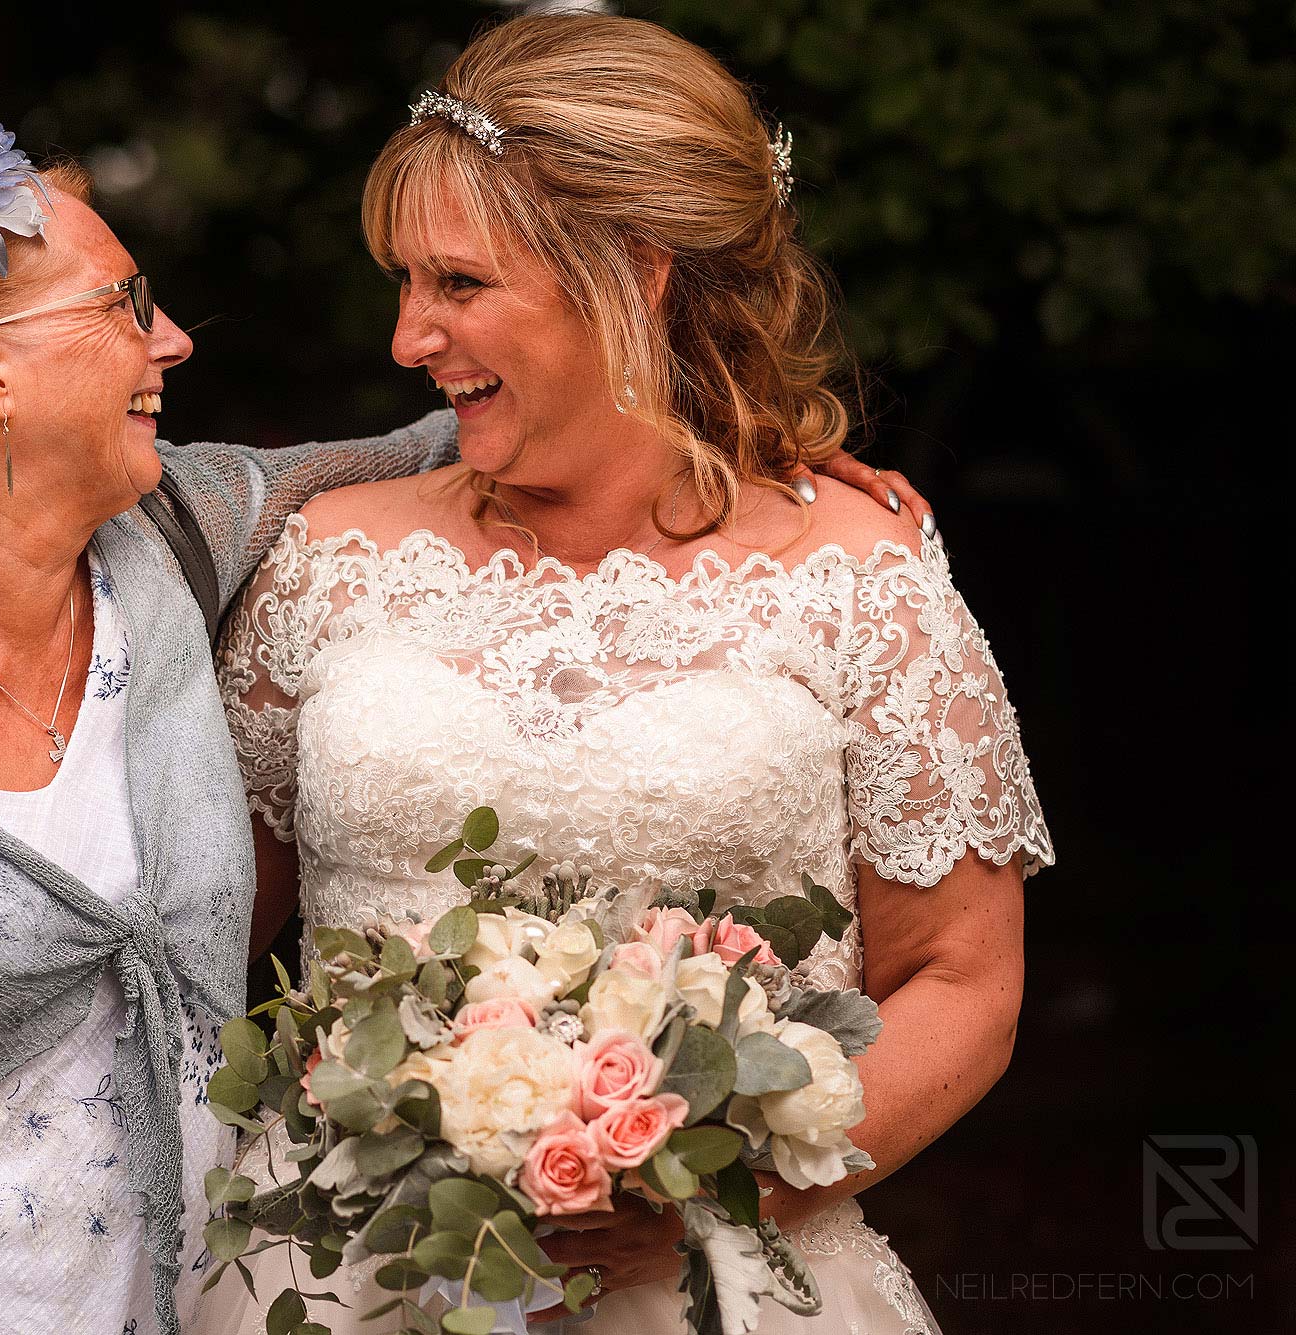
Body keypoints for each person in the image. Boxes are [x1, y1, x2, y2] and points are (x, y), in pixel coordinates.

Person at [0, 31, 927, 1335]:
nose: (172, 340)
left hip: (189, 1298)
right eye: (123, 306)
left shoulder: (185, 531)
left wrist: (757, 454)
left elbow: (490, 427)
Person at [201, 13, 1051, 1334]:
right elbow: (196, 949)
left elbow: (963, 981)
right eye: (403, 283)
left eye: (459, 283)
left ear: (635, 273)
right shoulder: (326, 562)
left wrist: (731, 1182)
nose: (409, 337)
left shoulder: (859, 575)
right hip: (349, 1280)